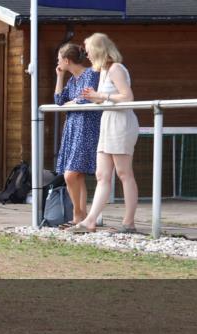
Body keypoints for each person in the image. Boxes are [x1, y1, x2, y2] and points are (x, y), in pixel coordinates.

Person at [70, 33, 140, 233]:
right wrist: (93, 97)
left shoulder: (116, 68)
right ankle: (90, 220)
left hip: (121, 122)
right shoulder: (103, 71)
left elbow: (127, 97)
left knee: (124, 173)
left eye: (89, 51)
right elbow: (106, 98)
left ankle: (129, 222)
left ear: (99, 50)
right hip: (108, 121)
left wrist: (100, 95)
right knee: (102, 174)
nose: (87, 55)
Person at [53, 43, 101, 227]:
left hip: (86, 127)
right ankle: (80, 217)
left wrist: (72, 102)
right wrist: (59, 76)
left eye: (59, 59)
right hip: (73, 127)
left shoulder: (90, 74)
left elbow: (84, 99)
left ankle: (77, 212)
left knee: (70, 175)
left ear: (66, 60)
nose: (57, 62)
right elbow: (59, 101)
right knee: (77, 175)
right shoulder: (71, 80)